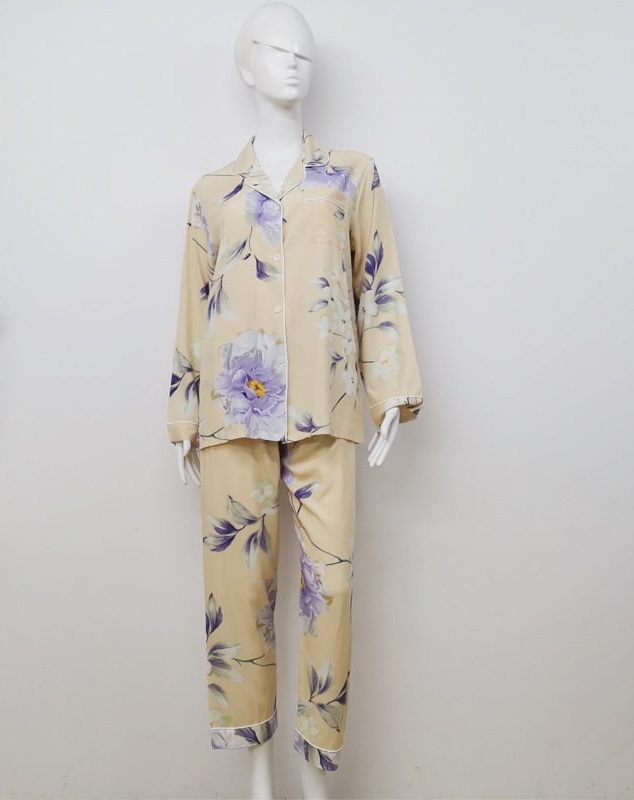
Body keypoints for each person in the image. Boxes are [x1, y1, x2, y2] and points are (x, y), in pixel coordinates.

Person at [167, 4, 423, 797]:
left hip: (326, 405)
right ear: (246, 65)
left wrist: (389, 390)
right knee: (238, 592)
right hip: (231, 413)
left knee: (330, 591)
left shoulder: (352, 176)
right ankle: (258, 775)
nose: (293, 62)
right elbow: (194, 305)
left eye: (303, 52)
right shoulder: (211, 191)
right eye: (276, 49)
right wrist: (183, 413)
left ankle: (314, 775)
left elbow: (377, 283)